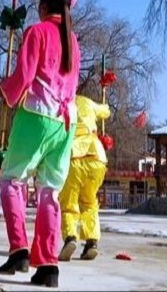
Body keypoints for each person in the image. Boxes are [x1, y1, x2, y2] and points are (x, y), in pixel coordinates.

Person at [0, 0, 82, 288]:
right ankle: (48, 266)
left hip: (38, 115)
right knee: (49, 192)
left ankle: (19, 249)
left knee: (12, 180)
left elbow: (24, 76)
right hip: (66, 122)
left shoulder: (37, 31)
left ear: (43, 7)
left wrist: (0, 91)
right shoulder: (73, 40)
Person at [58, 94, 110, 262]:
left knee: (69, 203)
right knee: (89, 202)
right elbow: (106, 111)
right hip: (97, 157)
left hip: (73, 156)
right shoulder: (88, 103)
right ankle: (91, 241)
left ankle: (70, 238)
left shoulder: (62, 103)